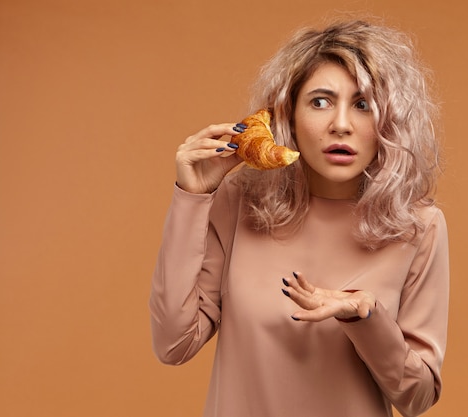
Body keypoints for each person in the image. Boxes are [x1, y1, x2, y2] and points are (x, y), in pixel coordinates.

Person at [149, 18, 449, 417]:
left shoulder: (418, 226)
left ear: (388, 122)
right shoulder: (240, 201)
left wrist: (365, 316)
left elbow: (418, 397)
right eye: (320, 101)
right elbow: (173, 344)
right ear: (289, 116)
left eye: (363, 105)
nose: (340, 125)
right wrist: (191, 198)